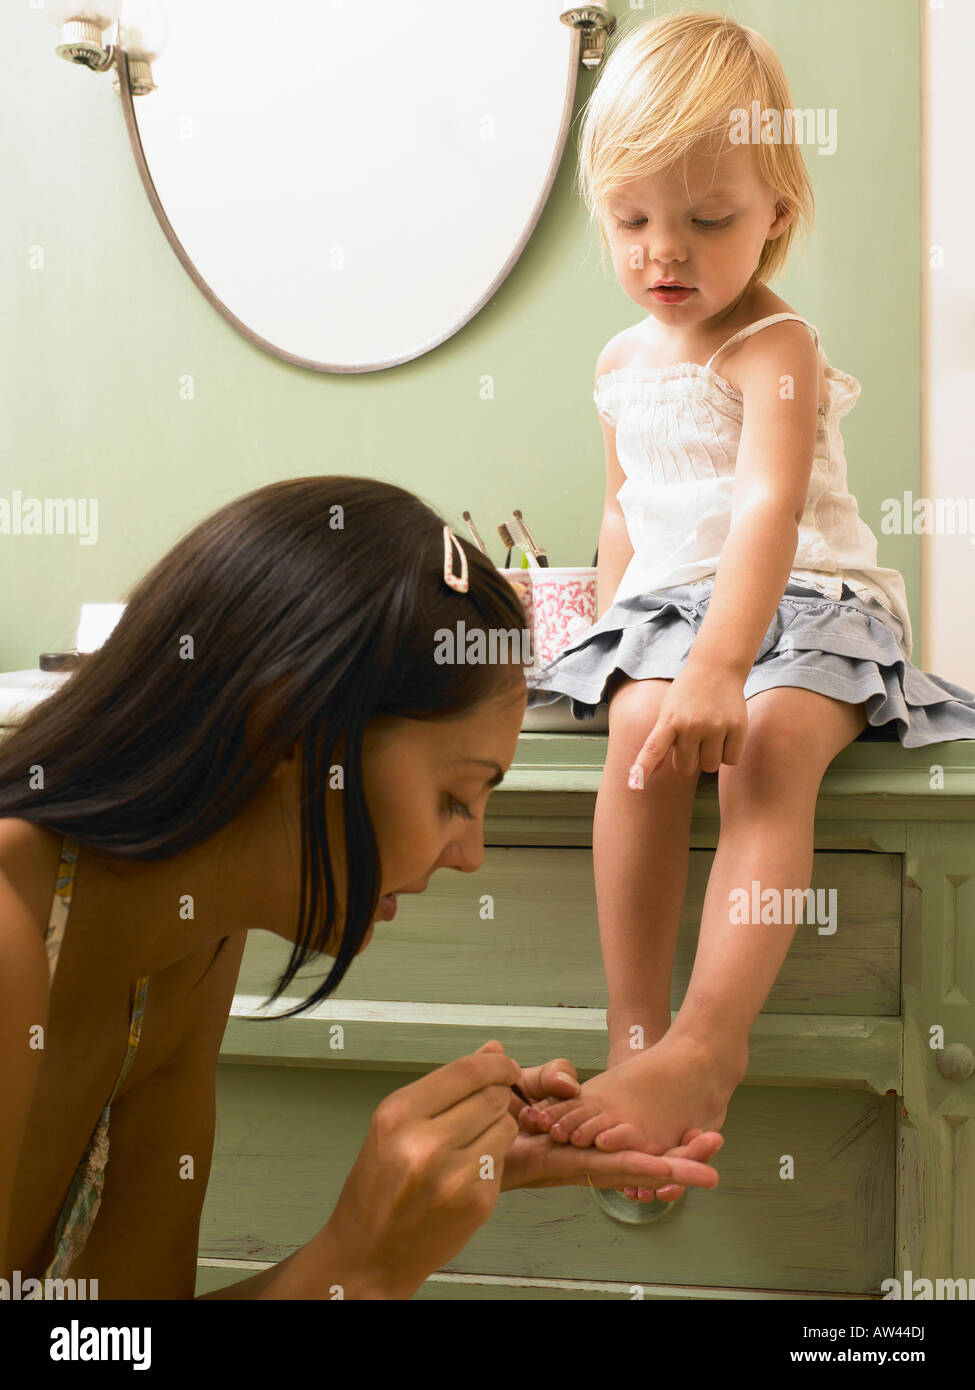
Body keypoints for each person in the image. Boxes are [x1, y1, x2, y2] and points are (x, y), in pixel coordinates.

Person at [0, 475, 724, 1301]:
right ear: (287, 728)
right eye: (455, 798)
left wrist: (391, 1238)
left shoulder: (189, 949)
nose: (470, 858)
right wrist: (358, 1260)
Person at [521, 11, 975, 1202]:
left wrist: (724, 662)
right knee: (635, 740)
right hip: (674, 613)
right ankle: (638, 1051)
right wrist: (605, 644)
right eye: (631, 221)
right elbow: (626, 515)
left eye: (707, 220)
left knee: (767, 745)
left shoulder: (777, 343)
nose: (663, 251)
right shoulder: (622, 366)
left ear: (778, 213)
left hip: (804, 603)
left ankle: (710, 1047)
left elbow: (768, 511)